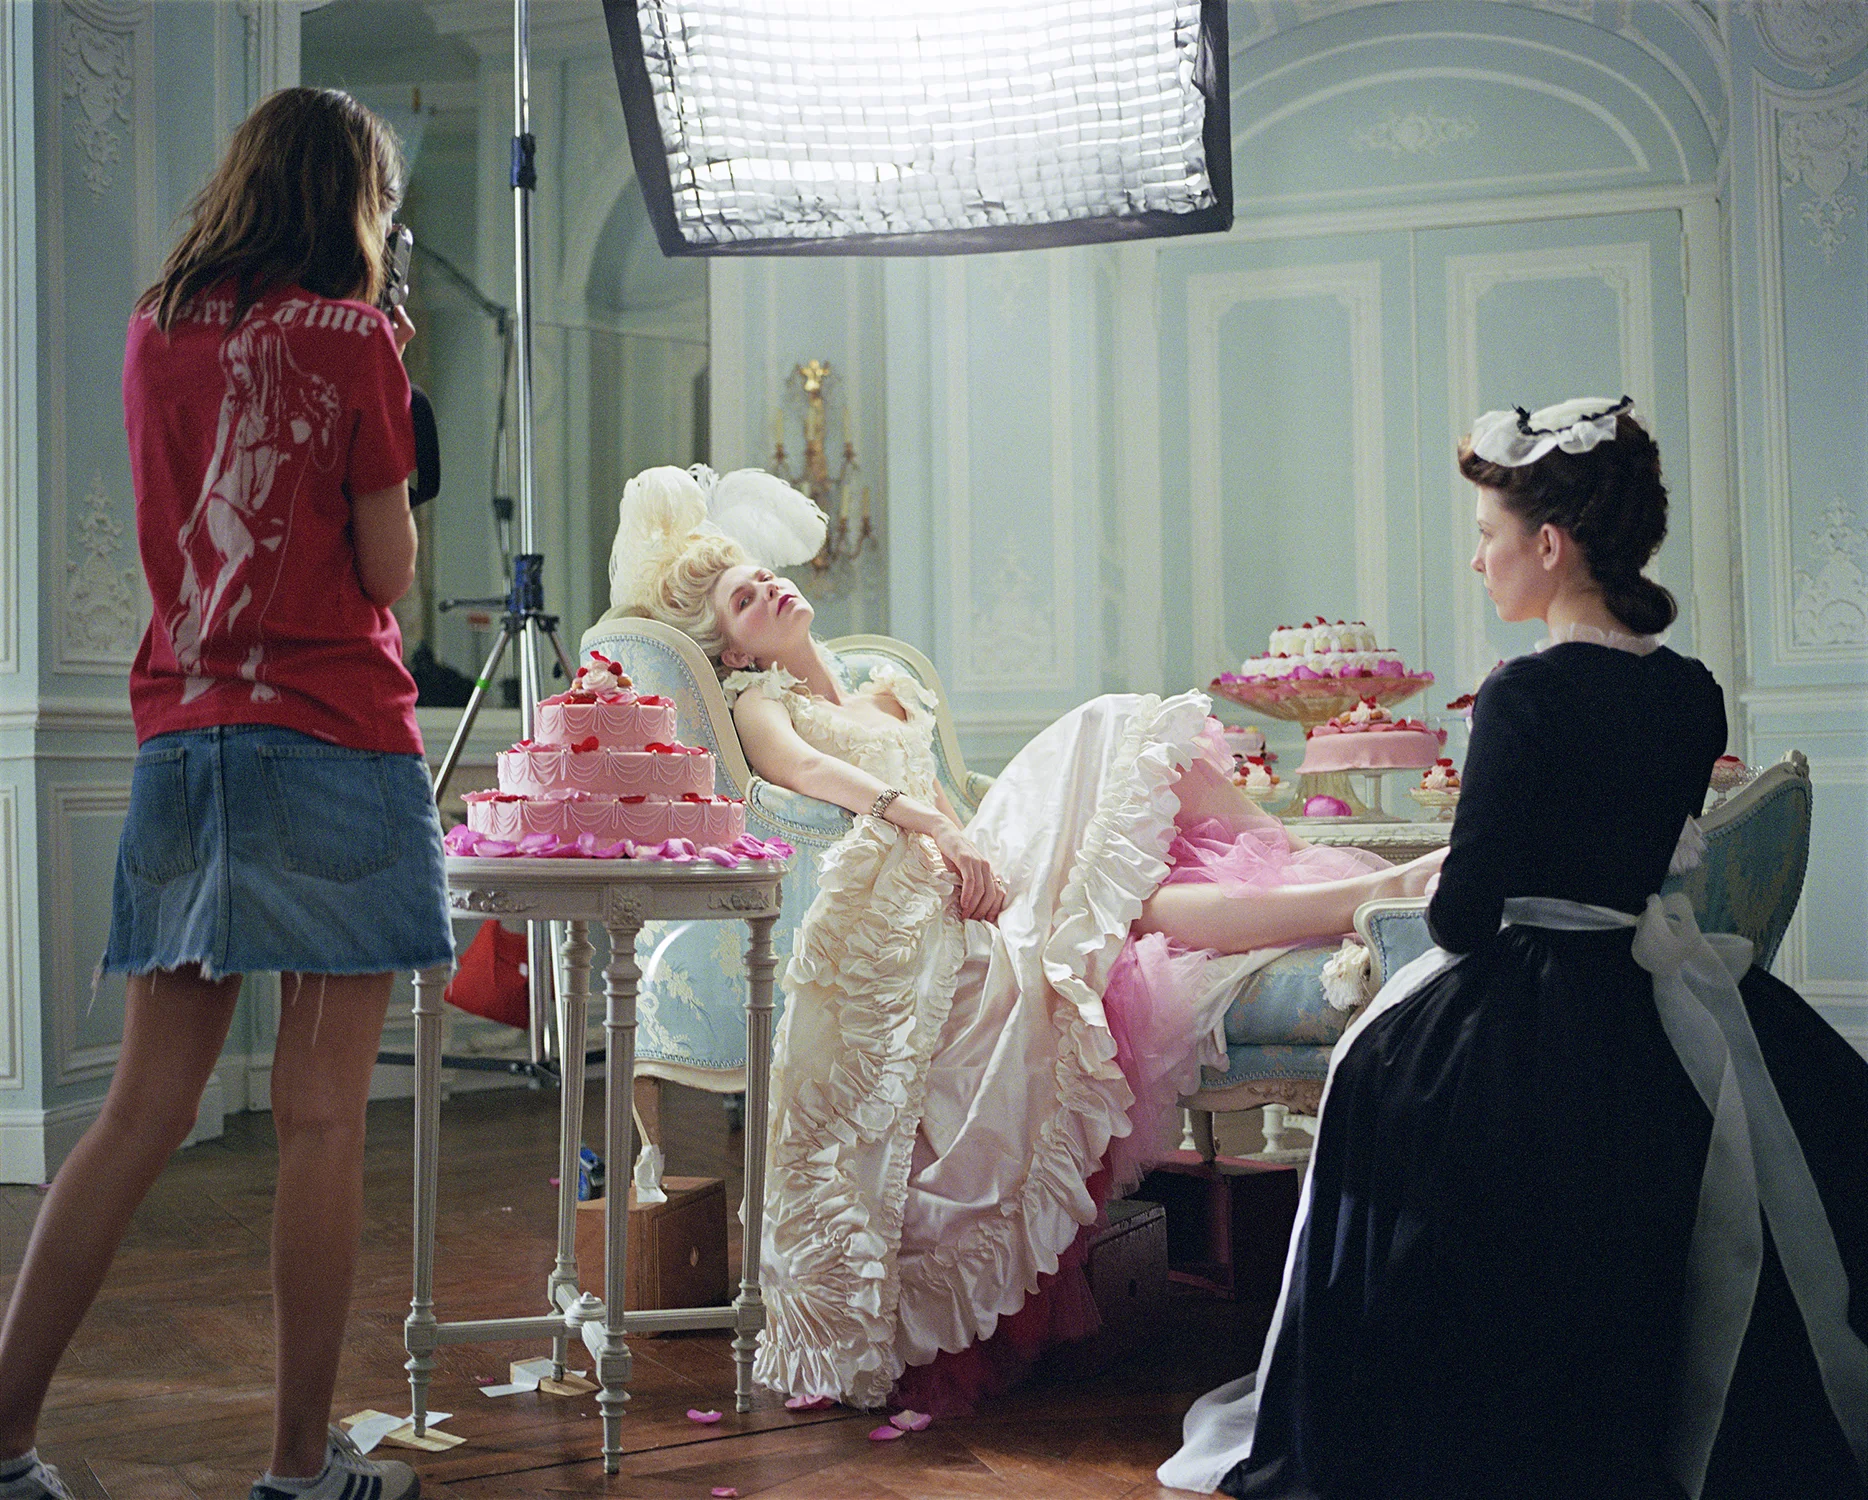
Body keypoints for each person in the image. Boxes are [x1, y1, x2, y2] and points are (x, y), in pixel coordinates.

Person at [602, 467, 1448, 1414]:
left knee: (1141, 899)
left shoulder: (855, 685)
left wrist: (933, 810)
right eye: (746, 599)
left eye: (764, 576)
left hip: (969, 854)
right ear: (729, 645)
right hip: (925, 886)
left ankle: (1340, 880)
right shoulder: (761, 702)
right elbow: (806, 772)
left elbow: (896, 755)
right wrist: (932, 828)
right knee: (1116, 735)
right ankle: (1351, 885)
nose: (771, 590)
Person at [1162, 398, 1868, 1500]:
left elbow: (1465, 910)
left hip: (1535, 1004)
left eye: (1488, 537)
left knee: (1381, 1087)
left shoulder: (1523, 692)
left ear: (1547, 545)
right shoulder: (1687, 692)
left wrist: (1435, 902)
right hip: (1652, 1002)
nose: (1479, 560)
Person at [0, 90, 452, 1500]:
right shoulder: (359, 338)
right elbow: (385, 577)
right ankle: (298, 1472)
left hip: (186, 734)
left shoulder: (155, 328)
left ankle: (2, 1440)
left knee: (139, 1114)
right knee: (323, 1118)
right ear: (354, 201)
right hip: (333, 735)